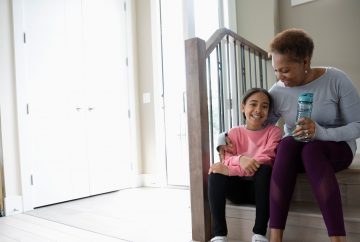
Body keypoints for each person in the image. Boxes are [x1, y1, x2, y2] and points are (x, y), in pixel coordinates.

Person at [267, 28, 360, 242]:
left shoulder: (336, 79)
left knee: (312, 150)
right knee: (287, 144)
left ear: (306, 62)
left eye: (286, 70)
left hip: (336, 148)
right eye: (276, 70)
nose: (280, 77)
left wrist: (320, 132)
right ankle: (275, 238)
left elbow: (358, 125)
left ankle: (338, 238)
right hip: (296, 152)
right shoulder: (277, 91)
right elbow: (263, 127)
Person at [208, 88, 282, 242]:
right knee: (215, 173)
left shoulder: (273, 132)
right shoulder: (234, 132)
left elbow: (267, 158)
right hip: (238, 190)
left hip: (261, 190)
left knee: (265, 169)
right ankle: (219, 235)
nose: (258, 110)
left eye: (264, 106)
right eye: (253, 104)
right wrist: (240, 159)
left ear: (269, 111)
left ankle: (259, 234)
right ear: (243, 107)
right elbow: (227, 159)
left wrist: (231, 170)